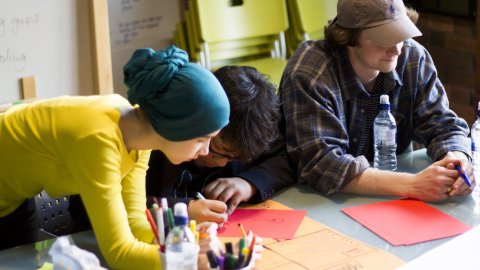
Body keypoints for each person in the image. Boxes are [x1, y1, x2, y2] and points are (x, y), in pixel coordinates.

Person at [0, 45, 230, 270]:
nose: (206, 151)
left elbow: (135, 224)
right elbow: (120, 253)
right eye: (202, 139)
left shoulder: (138, 134)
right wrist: (188, 260)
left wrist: (185, 241)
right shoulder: (98, 140)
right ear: (176, 126)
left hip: (14, 202)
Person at [279, 0, 475, 202]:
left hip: (391, 199)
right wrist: (412, 185)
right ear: (348, 36)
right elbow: (321, 164)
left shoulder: (412, 57)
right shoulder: (310, 72)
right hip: (318, 202)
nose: (397, 49)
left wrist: (458, 158)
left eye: (400, 34)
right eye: (384, 39)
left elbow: (442, 125)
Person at [146, 65, 295, 224]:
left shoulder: (251, 131)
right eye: (219, 150)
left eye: (235, 157)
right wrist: (182, 209)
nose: (222, 162)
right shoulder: (153, 146)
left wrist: (249, 183)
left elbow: (290, 157)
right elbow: (125, 205)